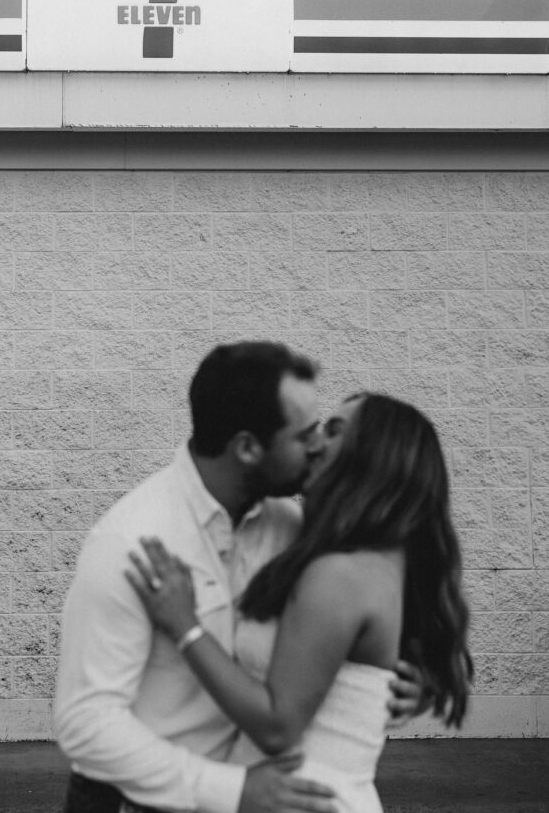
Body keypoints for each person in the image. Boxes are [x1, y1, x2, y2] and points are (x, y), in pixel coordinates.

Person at [54, 343, 425, 813]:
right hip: (135, 800)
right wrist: (232, 790)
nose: (319, 447)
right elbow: (85, 724)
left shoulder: (290, 527)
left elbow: (349, 630)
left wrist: (396, 687)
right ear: (248, 448)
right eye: (305, 434)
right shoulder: (131, 543)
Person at [127, 392, 473, 813]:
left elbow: (277, 727)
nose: (315, 442)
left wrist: (185, 625)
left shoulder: (342, 574)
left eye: (335, 430)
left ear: (375, 455)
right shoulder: (364, 557)